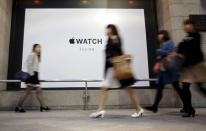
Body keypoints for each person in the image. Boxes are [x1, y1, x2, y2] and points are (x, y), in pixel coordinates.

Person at [90, 24, 144, 118]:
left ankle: (101, 110)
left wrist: (111, 52)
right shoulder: (110, 39)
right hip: (114, 68)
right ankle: (138, 109)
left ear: (111, 29)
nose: (106, 30)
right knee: (108, 88)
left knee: (106, 87)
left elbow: (118, 50)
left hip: (116, 68)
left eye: (107, 28)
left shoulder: (115, 38)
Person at [145, 30, 185, 113]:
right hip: (164, 71)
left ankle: (187, 105)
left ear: (164, 35)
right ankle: (155, 106)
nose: (158, 36)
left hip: (170, 70)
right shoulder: (163, 44)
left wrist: (160, 51)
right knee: (160, 87)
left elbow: (171, 53)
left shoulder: (169, 42)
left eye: (160, 34)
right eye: (158, 35)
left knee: (177, 87)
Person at [177, 19, 206, 117]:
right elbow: (180, 49)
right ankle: (189, 109)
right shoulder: (187, 37)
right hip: (187, 67)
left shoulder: (197, 35)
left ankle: (189, 109)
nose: (185, 26)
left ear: (192, 25)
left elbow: (187, 48)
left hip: (196, 65)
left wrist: (182, 46)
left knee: (200, 87)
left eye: (187, 24)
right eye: (184, 25)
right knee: (185, 87)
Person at [15, 44, 50, 113]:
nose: (39, 48)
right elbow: (28, 65)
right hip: (32, 76)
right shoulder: (32, 54)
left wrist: (35, 75)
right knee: (27, 92)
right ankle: (18, 107)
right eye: (38, 47)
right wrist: (32, 75)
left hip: (35, 76)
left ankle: (43, 106)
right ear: (34, 48)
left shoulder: (36, 56)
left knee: (38, 91)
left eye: (40, 47)